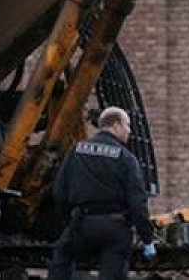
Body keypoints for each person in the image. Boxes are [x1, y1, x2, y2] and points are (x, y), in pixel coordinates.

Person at [48, 106, 156, 280]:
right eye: (127, 125)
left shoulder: (76, 151)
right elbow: (138, 203)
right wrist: (148, 240)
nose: (129, 131)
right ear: (116, 126)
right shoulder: (126, 158)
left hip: (82, 225)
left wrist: (69, 222)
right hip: (115, 229)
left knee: (61, 259)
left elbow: (60, 191)